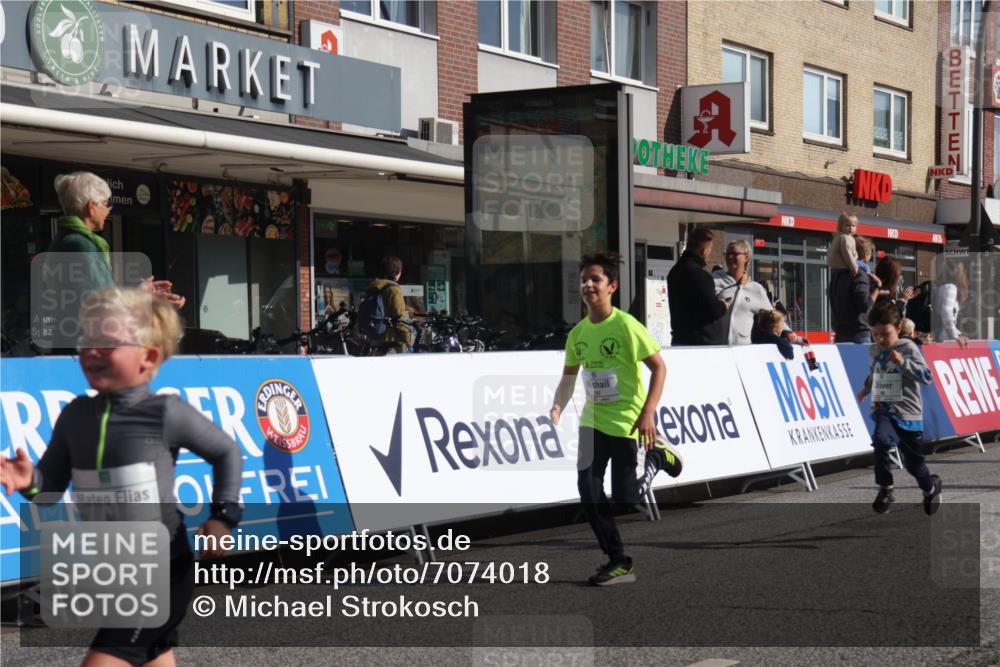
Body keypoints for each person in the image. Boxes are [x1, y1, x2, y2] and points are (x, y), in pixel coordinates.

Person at [0, 287, 243, 666]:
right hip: (116, 570)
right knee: (153, 654)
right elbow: (49, 490)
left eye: (107, 342)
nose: (91, 351)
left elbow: (227, 451)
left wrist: (223, 517)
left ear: (148, 357)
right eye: (85, 340)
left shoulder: (166, 413)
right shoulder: (75, 416)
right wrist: (28, 479)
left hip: (163, 569)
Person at [549, 252, 669, 586]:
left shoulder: (626, 325)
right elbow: (569, 378)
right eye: (584, 279)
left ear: (612, 286)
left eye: (596, 280)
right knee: (587, 488)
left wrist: (648, 412)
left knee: (626, 499)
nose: (588, 285)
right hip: (592, 421)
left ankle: (657, 456)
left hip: (627, 422)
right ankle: (618, 560)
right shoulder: (578, 335)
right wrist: (558, 405)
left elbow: (659, 367)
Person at [41, 172, 184, 352]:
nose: (109, 211)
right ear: (91, 206)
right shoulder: (80, 245)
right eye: (106, 203)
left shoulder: (65, 240)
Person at [856, 299, 941, 515]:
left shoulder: (908, 347)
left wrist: (903, 362)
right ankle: (886, 488)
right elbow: (876, 372)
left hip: (909, 414)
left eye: (886, 333)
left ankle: (930, 489)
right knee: (880, 441)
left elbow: (926, 377)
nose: (881, 339)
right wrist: (867, 388)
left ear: (898, 328)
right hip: (885, 409)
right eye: (876, 334)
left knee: (914, 465)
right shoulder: (874, 350)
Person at [667, 228, 730, 345]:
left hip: (679, 339)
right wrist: (723, 305)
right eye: (710, 248)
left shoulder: (674, 272)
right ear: (704, 251)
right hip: (699, 343)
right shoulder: (700, 275)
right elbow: (713, 310)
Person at [713, 239, 775, 345]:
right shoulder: (715, 279)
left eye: (734, 254)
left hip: (743, 351)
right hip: (717, 349)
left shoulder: (756, 289)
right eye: (727, 254)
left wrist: (790, 334)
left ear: (746, 258)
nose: (730, 257)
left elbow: (773, 317)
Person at [362, 256, 413, 354]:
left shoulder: (373, 287)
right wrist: (408, 339)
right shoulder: (394, 289)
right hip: (391, 343)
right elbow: (400, 318)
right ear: (397, 272)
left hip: (373, 340)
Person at [829, 235, 876, 343]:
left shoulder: (836, 274)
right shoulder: (860, 274)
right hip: (859, 333)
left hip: (840, 332)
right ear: (866, 254)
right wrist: (877, 288)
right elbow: (865, 305)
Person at [827, 212, 880, 287]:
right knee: (865, 267)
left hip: (838, 267)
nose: (851, 227)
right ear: (841, 226)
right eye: (848, 225)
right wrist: (854, 268)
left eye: (853, 225)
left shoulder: (839, 237)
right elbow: (847, 255)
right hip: (844, 266)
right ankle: (870, 284)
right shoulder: (845, 238)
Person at [932, 258, 969, 347]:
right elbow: (946, 312)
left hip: (943, 337)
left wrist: (959, 334)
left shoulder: (943, 287)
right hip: (946, 339)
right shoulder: (950, 288)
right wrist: (955, 336)